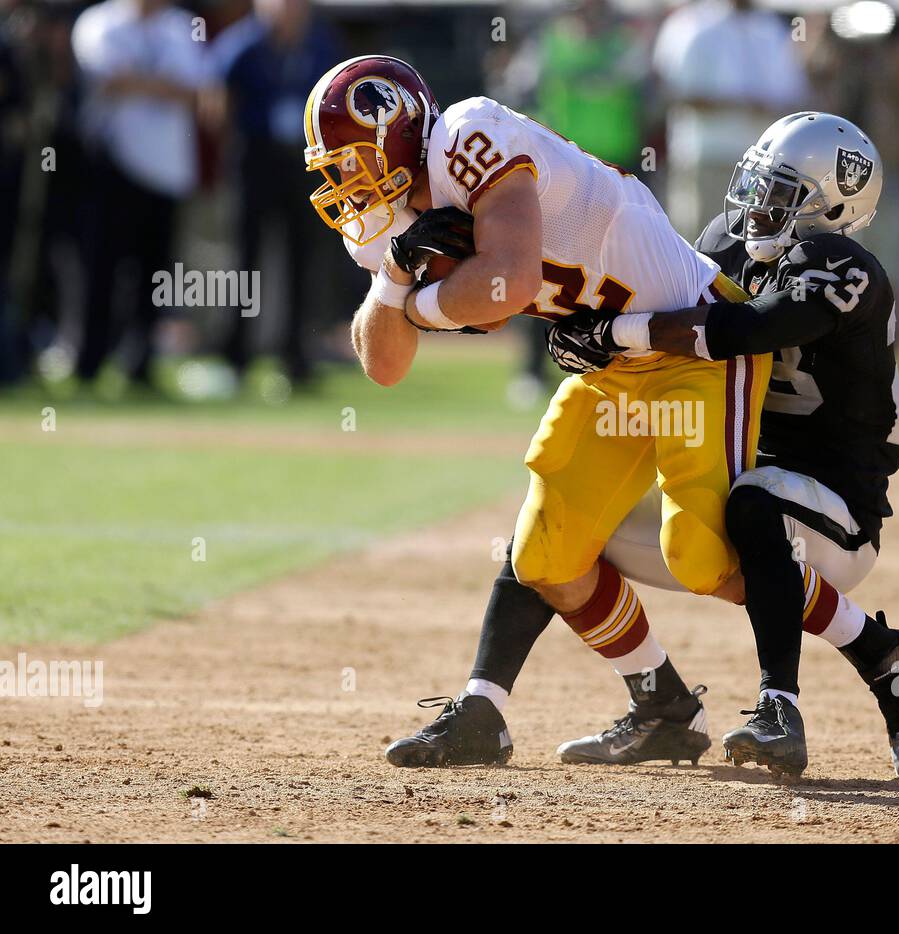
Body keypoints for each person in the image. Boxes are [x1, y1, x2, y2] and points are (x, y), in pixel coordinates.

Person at [302, 55, 769, 768]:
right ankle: (663, 708)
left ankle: (882, 656)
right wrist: (396, 272)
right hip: (612, 355)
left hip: (693, 336)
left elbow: (507, 284)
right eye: (333, 167)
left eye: (355, 161)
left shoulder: (467, 135)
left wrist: (418, 303)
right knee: (546, 552)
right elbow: (384, 363)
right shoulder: (380, 226)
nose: (346, 183)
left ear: (399, 135)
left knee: (705, 558)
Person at [549, 113, 899, 779]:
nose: (759, 206)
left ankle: (779, 706)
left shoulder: (845, 266)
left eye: (783, 192)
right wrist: (578, 321)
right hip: (746, 480)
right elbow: (659, 303)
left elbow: (751, 328)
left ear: (834, 201)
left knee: (755, 503)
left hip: (837, 510)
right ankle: (509, 702)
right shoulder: (730, 241)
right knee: (564, 515)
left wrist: (622, 334)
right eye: (758, 186)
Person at [70, 0, 209, 390]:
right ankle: (88, 362)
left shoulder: (181, 26)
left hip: (166, 171)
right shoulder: (100, 23)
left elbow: (194, 90)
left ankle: (140, 363)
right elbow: (108, 80)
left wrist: (140, 83)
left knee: (154, 275)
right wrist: (162, 85)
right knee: (101, 268)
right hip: (113, 164)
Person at [212, 0, 342, 387]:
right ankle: (235, 356)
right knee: (246, 261)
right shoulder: (242, 45)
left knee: (302, 259)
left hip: (305, 164)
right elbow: (216, 103)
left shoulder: (320, 44)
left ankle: (296, 358)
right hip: (255, 159)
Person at [653, 0, 809, 237]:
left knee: (746, 243)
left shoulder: (771, 28)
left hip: (760, 167)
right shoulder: (692, 24)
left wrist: (769, 106)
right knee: (699, 242)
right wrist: (740, 104)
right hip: (709, 157)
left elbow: (794, 92)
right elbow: (676, 91)